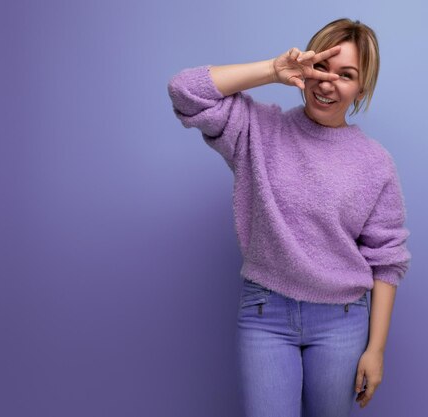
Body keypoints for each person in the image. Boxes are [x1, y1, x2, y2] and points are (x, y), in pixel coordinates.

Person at [167, 18, 411, 417]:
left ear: (362, 87)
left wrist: (376, 350)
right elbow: (185, 90)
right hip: (266, 314)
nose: (328, 82)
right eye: (321, 67)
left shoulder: (375, 163)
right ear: (305, 67)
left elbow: (387, 260)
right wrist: (272, 70)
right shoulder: (260, 129)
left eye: (346, 75)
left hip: (342, 321)